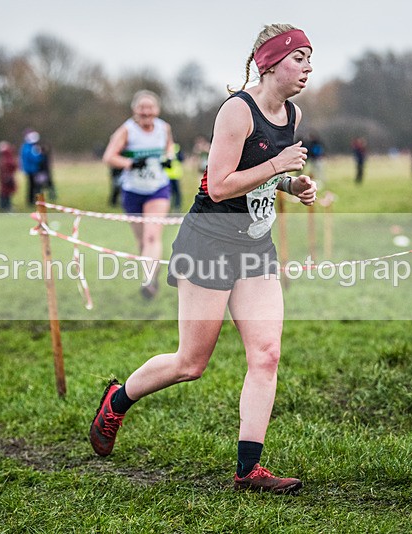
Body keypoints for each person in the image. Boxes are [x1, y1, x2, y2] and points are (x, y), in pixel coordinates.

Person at [89, 23, 317, 494]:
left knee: (267, 354)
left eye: (310, 59)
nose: (308, 68)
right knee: (191, 363)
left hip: (255, 246)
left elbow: (266, 180)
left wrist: (293, 185)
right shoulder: (237, 110)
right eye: (300, 58)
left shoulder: (291, 114)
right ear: (270, 61)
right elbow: (218, 184)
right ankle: (118, 399)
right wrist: (279, 166)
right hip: (209, 242)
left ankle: (248, 470)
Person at [101, 89, 174, 299]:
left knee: (153, 236)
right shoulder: (126, 130)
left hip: (157, 188)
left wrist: (169, 156)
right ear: (134, 110)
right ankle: (151, 273)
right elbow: (109, 157)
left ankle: (149, 281)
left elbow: (169, 147)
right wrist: (131, 163)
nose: (146, 111)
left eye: (150, 107)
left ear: (157, 110)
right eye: (142, 107)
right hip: (132, 190)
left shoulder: (164, 128)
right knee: (142, 241)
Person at [20, 130, 43, 206]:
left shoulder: (25, 147)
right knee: (33, 186)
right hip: (32, 169)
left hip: (30, 169)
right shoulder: (29, 148)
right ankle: (32, 201)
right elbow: (33, 158)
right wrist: (39, 156)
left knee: (32, 186)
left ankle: (32, 201)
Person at [0, 141, 18, 212]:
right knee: (5, 192)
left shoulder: (5, 157)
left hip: (6, 178)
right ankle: (5, 206)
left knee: (5, 192)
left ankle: (5, 206)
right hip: (6, 178)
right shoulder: (6, 157)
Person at [164, 142, 185, 212]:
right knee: (170, 193)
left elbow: (181, 158)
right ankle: (170, 207)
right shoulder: (164, 147)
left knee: (175, 193)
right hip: (168, 175)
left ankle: (176, 207)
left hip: (173, 175)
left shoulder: (176, 148)